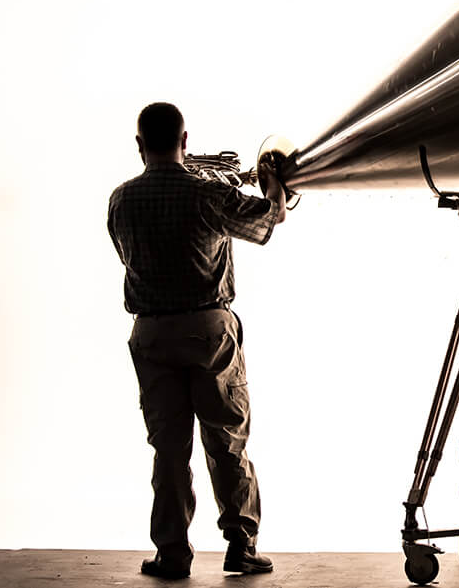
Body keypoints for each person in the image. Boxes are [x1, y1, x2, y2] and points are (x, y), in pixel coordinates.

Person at [107, 102, 289, 580]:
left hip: (150, 332)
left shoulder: (120, 200)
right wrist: (271, 180)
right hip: (209, 330)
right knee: (226, 441)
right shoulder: (207, 194)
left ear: (140, 145)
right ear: (185, 141)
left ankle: (172, 554)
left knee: (168, 449)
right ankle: (241, 547)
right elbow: (268, 223)